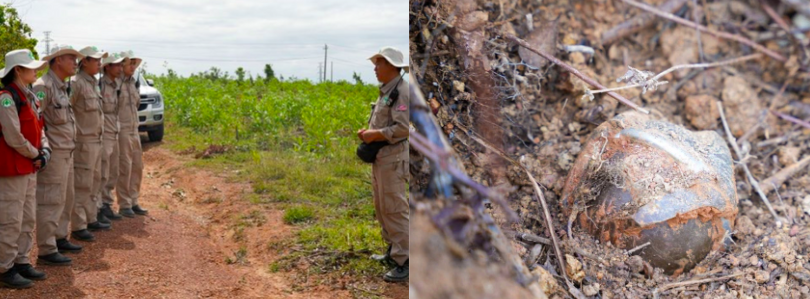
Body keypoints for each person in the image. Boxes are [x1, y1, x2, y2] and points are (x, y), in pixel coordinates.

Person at [358, 47, 410, 282]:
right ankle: (393, 251)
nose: (375, 68)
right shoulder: (387, 90)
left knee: (394, 208)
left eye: (379, 64)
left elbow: (403, 128)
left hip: (393, 158)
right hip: (382, 158)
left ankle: (406, 260)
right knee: (382, 206)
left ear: (391, 66)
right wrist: (370, 133)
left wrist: (374, 134)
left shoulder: (402, 91)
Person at [0, 49, 51, 288]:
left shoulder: (29, 95)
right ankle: (4, 268)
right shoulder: (6, 97)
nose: (35, 70)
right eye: (30, 67)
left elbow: (40, 128)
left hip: (29, 166)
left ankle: (21, 260)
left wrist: (44, 151)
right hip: (12, 168)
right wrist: (36, 153)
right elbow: (13, 136)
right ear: (17, 70)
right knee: (10, 219)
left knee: (26, 217)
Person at [33, 45, 84, 265]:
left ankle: (60, 237)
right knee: (50, 200)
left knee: (65, 197)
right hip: (53, 153)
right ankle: (46, 248)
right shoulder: (42, 87)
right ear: (57, 61)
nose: (75, 62)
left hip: (67, 151)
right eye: (71, 58)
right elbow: (35, 122)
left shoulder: (62, 86)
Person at [69, 46, 110, 242]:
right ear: (84, 61)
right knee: (82, 184)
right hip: (83, 142)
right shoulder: (76, 83)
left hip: (96, 140)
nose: (100, 63)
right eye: (96, 60)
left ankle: (91, 218)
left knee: (95, 181)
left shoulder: (93, 82)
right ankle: (78, 225)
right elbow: (66, 112)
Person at [116, 51, 147, 217]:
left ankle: (134, 200)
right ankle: (124, 203)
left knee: (137, 166)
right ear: (121, 65)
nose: (133, 67)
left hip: (134, 129)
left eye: (134, 64)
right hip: (122, 130)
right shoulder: (115, 84)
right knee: (125, 166)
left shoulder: (133, 83)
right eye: (130, 64)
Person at [97, 53, 127, 222]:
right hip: (104, 133)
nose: (120, 68)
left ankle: (106, 204)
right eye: (116, 65)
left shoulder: (116, 84)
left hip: (114, 131)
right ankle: (98, 207)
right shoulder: (100, 85)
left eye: (121, 65)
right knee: (103, 170)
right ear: (107, 67)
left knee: (113, 171)